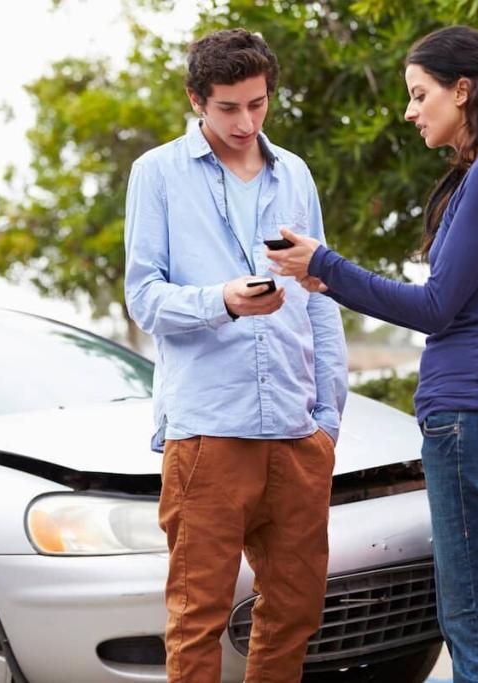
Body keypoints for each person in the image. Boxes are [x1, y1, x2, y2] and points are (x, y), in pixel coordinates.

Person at [267, 25, 478, 682]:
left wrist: (329, 263)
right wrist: (328, 275)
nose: (410, 110)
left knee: (471, 616)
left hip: (467, 416)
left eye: (419, 93)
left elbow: (437, 306)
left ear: (462, 91)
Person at [123, 28, 347, 683]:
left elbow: (320, 293)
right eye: (228, 107)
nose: (246, 121)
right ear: (196, 98)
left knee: (296, 612)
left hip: (296, 431)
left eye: (258, 103)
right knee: (198, 619)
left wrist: (327, 421)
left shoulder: (295, 174)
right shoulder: (157, 173)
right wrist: (222, 300)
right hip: (208, 432)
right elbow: (145, 296)